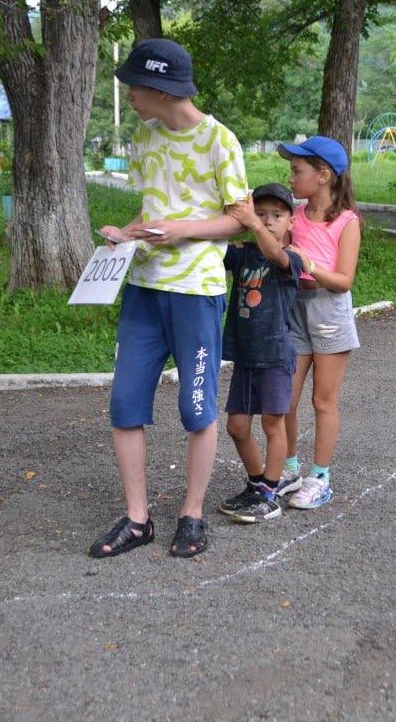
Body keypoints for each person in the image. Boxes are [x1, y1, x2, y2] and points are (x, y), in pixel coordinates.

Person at [89, 38, 248, 559]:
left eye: (135, 86)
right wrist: (127, 233)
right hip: (143, 287)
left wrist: (183, 231)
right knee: (125, 402)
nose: (128, 95)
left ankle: (192, 514)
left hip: (196, 291)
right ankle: (138, 520)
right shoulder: (145, 134)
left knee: (196, 406)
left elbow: (238, 217)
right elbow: (150, 207)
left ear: (159, 89)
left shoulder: (221, 141)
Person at [274, 136, 361, 510]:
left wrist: (310, 265)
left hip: (329, 312)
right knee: (285, 399)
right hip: (295, 309)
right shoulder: (294, 215)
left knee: (322, 400)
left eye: (298, 171)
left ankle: (319, 476)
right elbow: (278, 252)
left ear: (323, 175)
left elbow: (344, 281)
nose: (291, 178)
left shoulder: (347, 221)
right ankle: (289, 468)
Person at [218, 184, 305, 522]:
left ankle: (271, 490)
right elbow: (214, 249)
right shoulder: (242, 254)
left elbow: (276, 256)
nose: (267, 221)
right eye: (262, 213)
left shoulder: (291, 260)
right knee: (237, 427)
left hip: (275, 356)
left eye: (277, 216)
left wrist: (253, 223)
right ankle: (257, 483)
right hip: (246, 357)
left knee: (273, 424)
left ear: (291, 222)